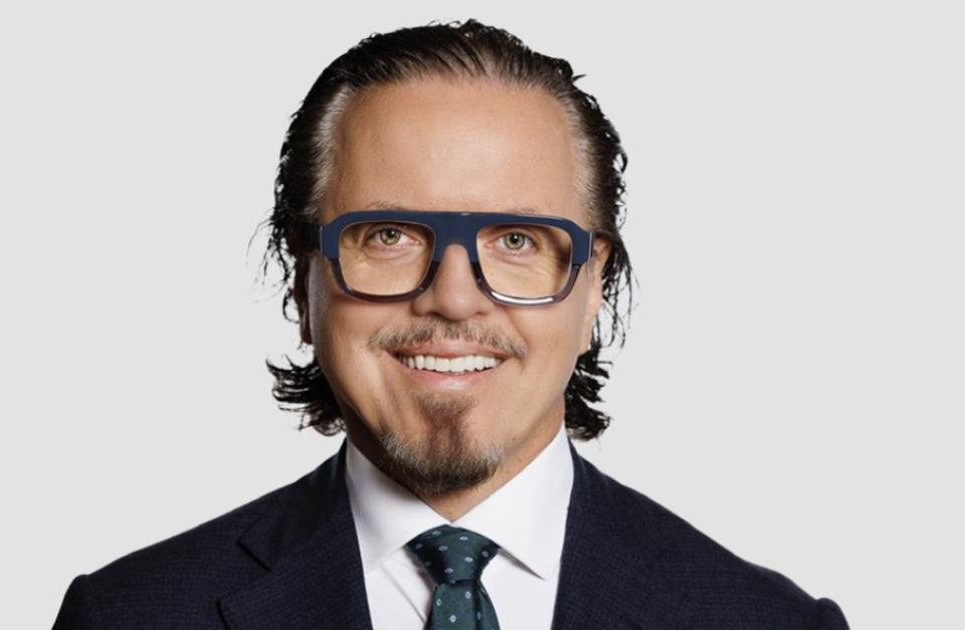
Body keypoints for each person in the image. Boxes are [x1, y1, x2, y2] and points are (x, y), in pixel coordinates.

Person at [52, 19, 849, 630]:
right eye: (389, 236)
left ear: (592, 289)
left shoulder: (771, 625)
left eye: (517, 241)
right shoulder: (127, 618)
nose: (456, 298)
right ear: (302, 278)